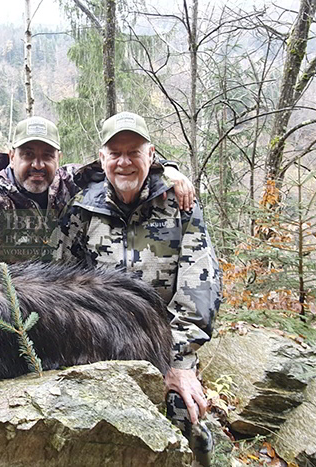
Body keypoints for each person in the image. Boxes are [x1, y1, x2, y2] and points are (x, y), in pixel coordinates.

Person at [55, 111, 221, 458]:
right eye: (115, 153)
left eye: (134, 152)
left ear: (151, 155)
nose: (124, 162)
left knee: (182, 416)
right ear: (102, 159)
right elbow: (62, 291)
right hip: (100, 343)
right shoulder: (81, 212)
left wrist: (174, 361)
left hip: (167, 345)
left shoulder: (179, 206)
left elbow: (200, 290)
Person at [0, 116, 195, 265]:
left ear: (58, 158)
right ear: (12, 156)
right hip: (9, 309)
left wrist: (167, 169)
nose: (38, 165)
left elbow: (122, 164)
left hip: (64, 305)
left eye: (47, 155)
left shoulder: (73, 181)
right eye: (28, 155)